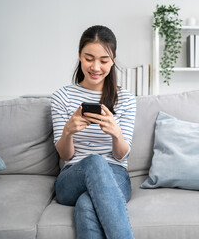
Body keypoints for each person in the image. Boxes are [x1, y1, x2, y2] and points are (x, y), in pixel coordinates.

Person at [51, 25, 136, 239]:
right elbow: (65, 156)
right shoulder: (62, 96)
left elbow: (121, 155)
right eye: (89, 58)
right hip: (72, 176)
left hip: (116, 175)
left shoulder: (125, 99)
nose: (96, 67)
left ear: (113, 60)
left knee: (87, 204)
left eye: (104, 60)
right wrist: (68, 132)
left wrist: (116, 133)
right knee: (95, 161)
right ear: (79, 56)